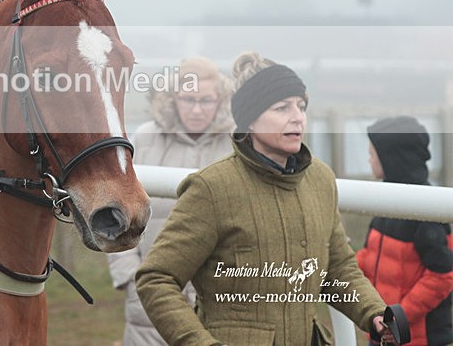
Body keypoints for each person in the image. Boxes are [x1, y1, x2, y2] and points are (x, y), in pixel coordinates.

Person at [136, 52, 397, 346]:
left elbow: (337, 268)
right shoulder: (211, 188)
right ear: (250, 119)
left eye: (301, 106)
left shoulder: (321, 180)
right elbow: (156, 278)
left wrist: (374, 312)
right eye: (282, 107)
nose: (297, 116)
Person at [107, 56, 234, 345]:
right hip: (150, 294)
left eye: (206, 100)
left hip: (220, 295)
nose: (198, 109)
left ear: (220, 99)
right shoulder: (145, 139)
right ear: (173, 97)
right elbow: (118, 209)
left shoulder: (237, 142)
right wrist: (129, 275)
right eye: (189, 99)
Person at [357, 116, 453, 346]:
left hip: (418, 338)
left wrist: (397, 317)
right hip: (383, 332)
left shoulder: (426, 211)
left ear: (392, 159)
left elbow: (443, 276)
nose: (369, 160)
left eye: (372, 154)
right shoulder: (386, 203)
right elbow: (371, 257)